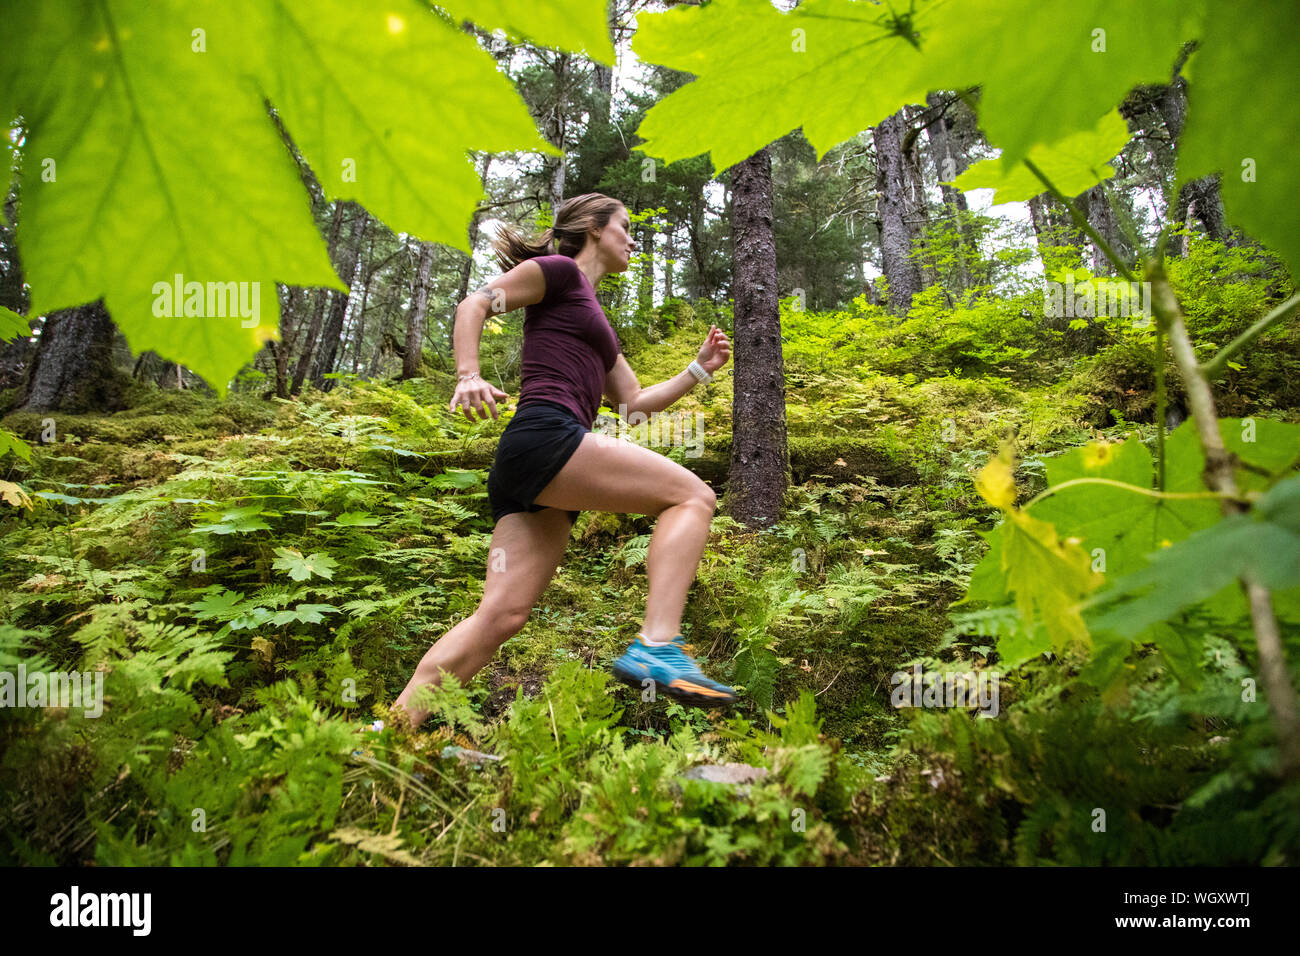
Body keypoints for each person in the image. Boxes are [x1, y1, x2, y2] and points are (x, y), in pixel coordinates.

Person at [393, 192, 736, 730]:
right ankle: (657, 645)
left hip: (532, 466)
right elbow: (476, 303)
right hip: (544, 434)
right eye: (625, 225)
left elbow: (632, 406)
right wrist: (468, 375)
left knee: (502, 615)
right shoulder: (558, 272)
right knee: (693, 496)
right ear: (595, 228)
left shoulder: (595, 319)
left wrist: (699, 369)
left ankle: (390, 732)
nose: (632, 237)